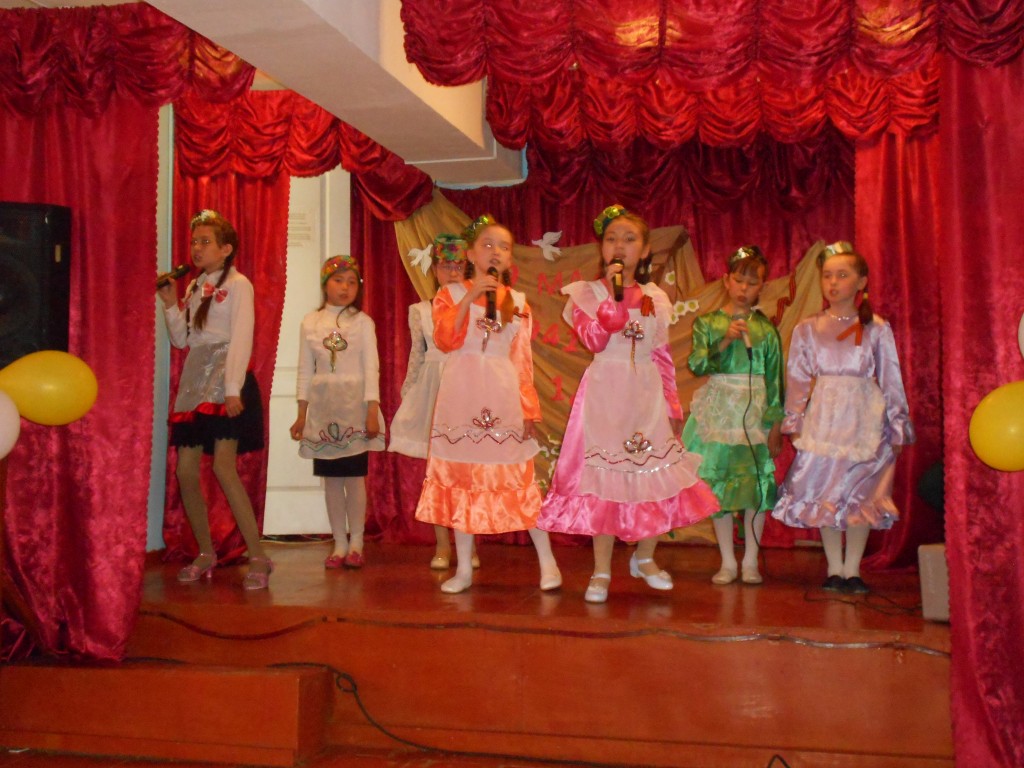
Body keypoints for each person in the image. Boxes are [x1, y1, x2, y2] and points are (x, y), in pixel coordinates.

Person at [537, 205, 718, 604]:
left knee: (655, 474)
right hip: (606, 394)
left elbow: (661, 354)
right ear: (602, 248)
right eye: (612, 239)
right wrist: (614, 301)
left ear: (645, 250)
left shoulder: (656, 297)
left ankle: (645, 557)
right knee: (605, 481)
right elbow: (595, 340)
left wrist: (673, 405)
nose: (619, 246)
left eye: (629, 239)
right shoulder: (586, 293)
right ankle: (602, 569)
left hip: (646, 396)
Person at [415, 214, 561, 594]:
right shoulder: (449, 295)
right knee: (463, 480)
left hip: (501, 394)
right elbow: (445, 340)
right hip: (461, 395)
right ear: (470, 254)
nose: (495, 252)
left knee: (519, 479)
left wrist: (529, 409)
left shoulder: (517, 302)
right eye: (487, 245)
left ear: (510, 259)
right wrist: (469, 297)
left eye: (504, 247)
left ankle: (548, 563)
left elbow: (522, 360)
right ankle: (464, 568)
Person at [772, 241, 915, 594]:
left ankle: (853, 570)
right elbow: (798, 378)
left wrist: (897, 426)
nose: (833, 283)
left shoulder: (876, 328)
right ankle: (834, 567)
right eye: (828, 276)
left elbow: (891, 378)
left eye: (842, 275)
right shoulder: (808, 328)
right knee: (825, 490)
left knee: (861, 493)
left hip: (864, 419)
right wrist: (795, 421)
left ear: (861, 282)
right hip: (824, 419)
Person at [158, 209, 271, 590]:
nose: (197, 248)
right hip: (195, 376)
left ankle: (258, 555)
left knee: (224, 466)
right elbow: (182, 340)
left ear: (226, 249)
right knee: (185, 471)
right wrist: (170, 304)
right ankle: (206, 552)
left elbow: (242, 335)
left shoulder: (239, 284)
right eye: (194, 241)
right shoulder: (194, 286)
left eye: (205, 242)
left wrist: (233, 388)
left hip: (225, 375)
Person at [683, 246, 784, 586]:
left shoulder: (766, 330)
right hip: (721, 410)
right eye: (739, 280)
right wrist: (723, 341)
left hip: (753, 411)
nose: (744, 289)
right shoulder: (708, 323)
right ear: (726, 281)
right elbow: (697, 364)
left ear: (761, 288)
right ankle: (727, 560)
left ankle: (751, 560)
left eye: (752, 283)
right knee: (721, 485)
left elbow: (776, 380)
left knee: (754, 485)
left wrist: (775, 424)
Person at [389, 234, 480, 571]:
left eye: (458, 266)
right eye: (445, 266)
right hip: (433, 391)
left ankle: (470, 545)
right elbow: (417, 354)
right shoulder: (421, 310)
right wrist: (409, 393)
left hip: (464, 388)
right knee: (437, 474)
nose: (452, 272)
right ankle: (442, 544)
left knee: (466, 472)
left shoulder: (475, 305)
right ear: (435, 269)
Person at [289, 255, 384, 569]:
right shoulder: (310, 322)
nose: (345, 287)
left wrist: (372, 410)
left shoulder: (363, 322)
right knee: (331, 480)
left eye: (352, 282)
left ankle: (356, 541)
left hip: (354, 408)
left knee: (354, 478)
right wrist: (302, 413)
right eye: (338, 280)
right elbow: (305, 370)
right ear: (325, 284)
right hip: (323, 409)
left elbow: (371, 368)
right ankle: (339, 543)